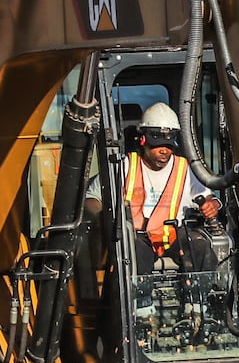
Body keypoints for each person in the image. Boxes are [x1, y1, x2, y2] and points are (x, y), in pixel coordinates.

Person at [87, 102, 222, 277]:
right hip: (136, 237)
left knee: (200, 249)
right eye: (158, 144)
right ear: (143, 140)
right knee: (135, 256)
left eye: (169, 145)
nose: (164, 151)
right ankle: (141, 303)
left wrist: (211, 205)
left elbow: (209, 198)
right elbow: (91, 198)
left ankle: (201, 301)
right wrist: (103, 218)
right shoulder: (125, 166)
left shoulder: (184, 168)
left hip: (173, 236)